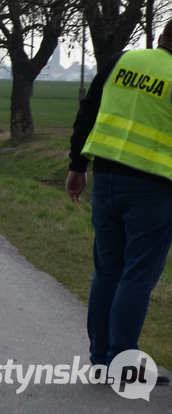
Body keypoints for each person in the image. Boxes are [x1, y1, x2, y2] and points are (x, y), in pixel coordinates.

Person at [66, 19, 172, 382]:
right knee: (137, 276)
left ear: (160, 38)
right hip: (154, 188)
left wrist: (77, 165)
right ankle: (122, 361)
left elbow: (88, 110)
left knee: (107, 271)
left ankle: (100, 360)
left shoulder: (120, 61)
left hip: (106, 178)